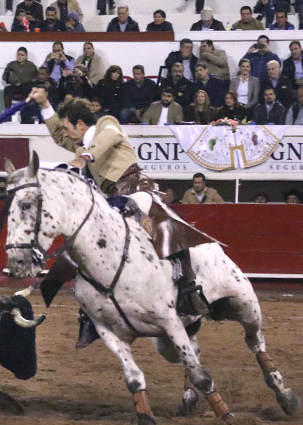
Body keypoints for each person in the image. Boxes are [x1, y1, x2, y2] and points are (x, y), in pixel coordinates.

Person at [26, 87, 216, 347]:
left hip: (136, 191)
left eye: (69, 128)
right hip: (110, 203)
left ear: (81, 124)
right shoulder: (80, 142)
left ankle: (188, 287)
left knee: (159, 231)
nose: (66, 134)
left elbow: (109, 137)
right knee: (89, 247)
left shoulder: (107, 124)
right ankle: (90, 313)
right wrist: (44, 103)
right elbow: (59, 135)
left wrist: (86, 157)